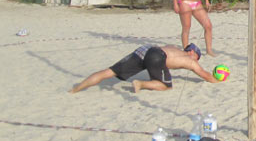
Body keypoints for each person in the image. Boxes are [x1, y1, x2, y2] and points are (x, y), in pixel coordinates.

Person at [70, 43, 220, 93]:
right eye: (198, 57)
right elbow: (206, 76)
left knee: (109, 72)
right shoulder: (190, 60)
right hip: (157, 55)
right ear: (192, 52)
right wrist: (218, 79)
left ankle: (76, 88)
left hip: (146, 49)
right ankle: (140, 84)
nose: (197, 60)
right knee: (165, 86)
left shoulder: (173, 47)